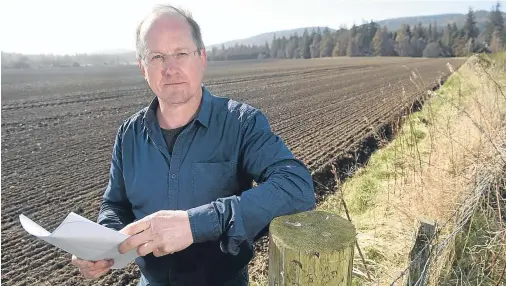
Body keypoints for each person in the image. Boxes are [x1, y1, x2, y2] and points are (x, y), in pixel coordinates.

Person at [71, 4, 316, 286]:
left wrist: (195, 224)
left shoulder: (241, 123)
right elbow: (115, 204)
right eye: (157, 57)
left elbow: (296, 187)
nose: (170, 68)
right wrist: (103, 245)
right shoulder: (128, 135)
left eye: (181, 53)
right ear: (143, 68)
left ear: (202, 58)